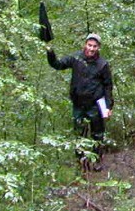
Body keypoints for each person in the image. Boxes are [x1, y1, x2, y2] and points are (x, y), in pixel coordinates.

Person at [47, 33, 114, 169]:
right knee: (79, 134)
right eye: (89, 45)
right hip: (78, 103)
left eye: (94, 46)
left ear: (98, 47)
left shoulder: (102, 64)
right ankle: (81, 163)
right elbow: (57, 64)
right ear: (85, 44)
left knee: (97, 134)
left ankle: (96, 161)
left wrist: (108, 106)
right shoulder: (76, 58)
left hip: (96, 104)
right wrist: (49, 51)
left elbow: (108, 86)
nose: (91, 48)